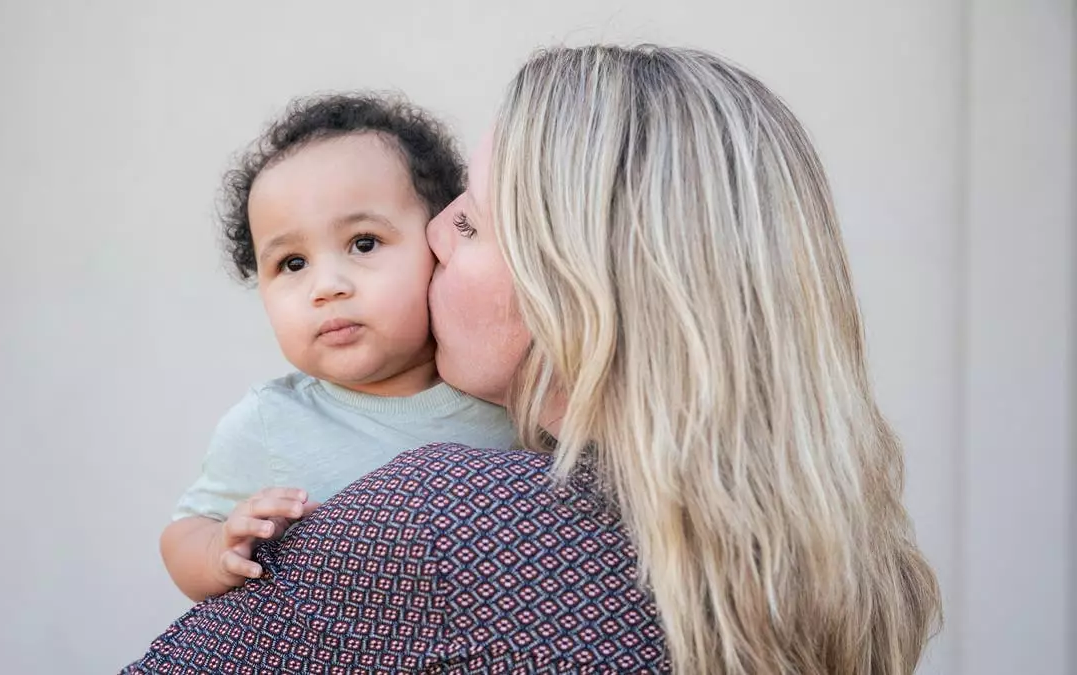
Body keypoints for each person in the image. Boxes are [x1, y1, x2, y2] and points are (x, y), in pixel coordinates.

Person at [126, 45, 941, 674]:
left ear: (585, 283)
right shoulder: (825, 564)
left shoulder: (451, 519)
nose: (437, 236)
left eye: (472, 222)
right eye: (290, 262)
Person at [161, 95, 515, 602]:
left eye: (364, 243)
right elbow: (182, 533)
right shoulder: (270, 422)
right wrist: (219, 548)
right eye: (292, 264)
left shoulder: (504, 395)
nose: (326, 286)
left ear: (438, 242)